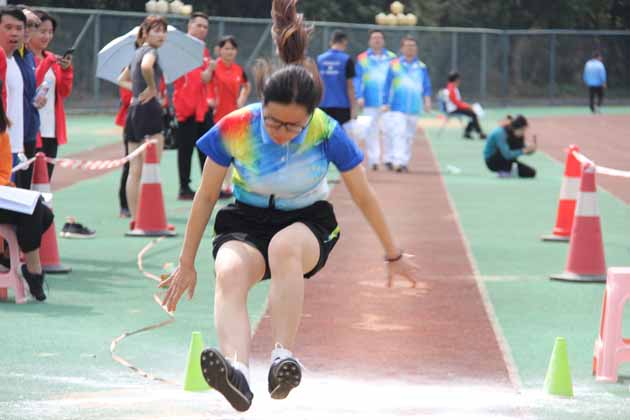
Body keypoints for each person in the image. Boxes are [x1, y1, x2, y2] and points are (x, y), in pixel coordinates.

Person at [159, 0, 419, 413]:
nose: (281, 133)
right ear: (261, 106)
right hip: (245, 218)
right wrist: (187, 262)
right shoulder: (237, 126)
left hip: (307, 221)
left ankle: (283, 358)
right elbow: (207, 196)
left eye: (292, 127)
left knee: (284, 248)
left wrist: (393, 253)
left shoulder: (326, 131)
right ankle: (238, 371)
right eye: (273, 122)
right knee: (228, 270)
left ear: (310, 117)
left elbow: (363, 195)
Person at [0, 83, 53, 302]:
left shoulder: (1, 135)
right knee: (38, 213)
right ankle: (33, 270)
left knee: (40, 211)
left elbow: (4, 172)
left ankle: (13, 260)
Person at [117, 15, 167, 226]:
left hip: (134, 111)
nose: (161, 34)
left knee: (135, 170)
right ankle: (148, 219)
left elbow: (121, 80)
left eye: (163, 30)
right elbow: (147, 67)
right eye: (156, 30)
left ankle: (137, 219)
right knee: (151, 167)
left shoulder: (136, 52)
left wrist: (138, 91)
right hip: (150, 111)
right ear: (145, 33)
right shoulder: (151, 53)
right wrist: (153, 89)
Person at [173, 12, 214, 200]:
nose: (203, 30)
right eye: (199, 25)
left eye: (205, 27)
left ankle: (209, 185)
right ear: (190, 26)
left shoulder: (202, 49)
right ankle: (184, 187)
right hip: (186, 107)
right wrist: (211, 68)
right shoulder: (183, 47)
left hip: (202, 107)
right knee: (186, 149)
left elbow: (205, 80)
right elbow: (202, 77)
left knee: (207, 148)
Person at [29, 10, 74, 180]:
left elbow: (63, 91)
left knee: (45, 180)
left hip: (51, 129)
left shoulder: (51, 58)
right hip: (32, 130)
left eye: (50, 32)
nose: (46, 36)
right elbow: (31, 86)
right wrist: (47, 62)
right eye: (42, 31)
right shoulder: (25, 58)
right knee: (30, 180)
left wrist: (66, 70)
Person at [381, 36, 432, 173]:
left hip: (414, 107)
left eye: (413, 46)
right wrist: (385, 102)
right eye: (408, 46)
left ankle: (403, 161)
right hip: (397, 106)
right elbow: (387, 85)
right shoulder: (394, 65)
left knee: (409, 136)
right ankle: (398, 161)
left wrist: (427, 101)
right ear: (402, 48)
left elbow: (426, 86)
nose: (410, 48)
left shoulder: (421, 67)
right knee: (399, 133)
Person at [209, 35, 250, 199]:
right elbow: (206, 84)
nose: (229, 52)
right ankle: (215, 184)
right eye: (226, 48)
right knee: (218, 153)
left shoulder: (238, 69)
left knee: (233, 152)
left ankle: (228, 185)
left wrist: (241, 99)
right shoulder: (213, 67)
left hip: (234, 116)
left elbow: (247, 86)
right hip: (215, 117)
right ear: (219, 50)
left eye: (232, 49)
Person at [354, 29, 396, 171]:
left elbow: (396, 79)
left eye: (379, 38)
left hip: (387, 103)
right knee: (369, 131)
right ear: (370, 41)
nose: (377, 40)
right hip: (369, 101)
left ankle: (389, 159)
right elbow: (357, 79)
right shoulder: (362, 58)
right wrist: (359, 96)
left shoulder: (392, 57)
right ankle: (374, 160)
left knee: (388, 130)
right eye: (374, 38)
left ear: (383, 41)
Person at [14, 6, 44, 190]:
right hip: (11, 134)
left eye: (33, 25)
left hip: (29, 132)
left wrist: (38, 98)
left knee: (24, 189)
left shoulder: (29, 56)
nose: (27, 30)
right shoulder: (6, 56)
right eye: (24, 24)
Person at [0, 6, 26, 185]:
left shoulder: (15, 61)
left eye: (18, 28)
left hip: (14, 146)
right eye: (8, 28)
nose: (14, 33)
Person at [317, 30, 356, 126]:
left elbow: (316, 83)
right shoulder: (346, 59)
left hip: (322, 105)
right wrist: (354, 108)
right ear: (344, 42)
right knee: (340, 138)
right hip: (342, 106)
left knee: (324, 137)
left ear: (331, 42)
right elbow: (350, 87)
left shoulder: (319, 59)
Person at [444, 71, 485, 140]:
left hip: (456, 108)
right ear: (456, 79)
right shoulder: (451, 89)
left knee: (473, 114)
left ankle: (469, 132)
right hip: (454, 109)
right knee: (473, 114)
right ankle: (478, 133)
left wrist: (467, 106)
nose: (459, 81)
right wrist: (468, 106)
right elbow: (456, 103)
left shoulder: (452, 87)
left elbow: (458, 102)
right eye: (459, 79)